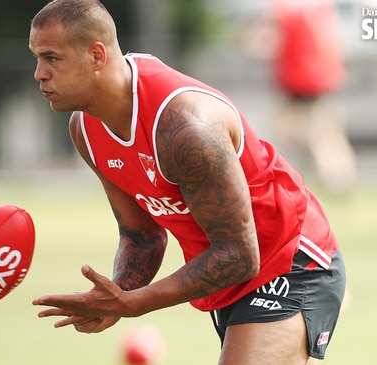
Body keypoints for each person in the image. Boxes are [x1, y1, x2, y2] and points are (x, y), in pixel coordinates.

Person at [29, 1, 346, 364]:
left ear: (97, 55)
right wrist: (117, 292)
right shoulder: (84, 129)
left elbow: (240, 255)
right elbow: (142, 236)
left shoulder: (185, 127)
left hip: (291, 259)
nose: (39, 73)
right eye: (37, 58)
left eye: (51, 58)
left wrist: (135, 303)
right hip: (228, 277)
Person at [241, 0, 356, 194]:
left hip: (297, 87)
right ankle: (336, 182)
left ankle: (293, 182)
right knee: (328, 139)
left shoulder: (285, 11)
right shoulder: (320, 9)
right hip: (323, 83)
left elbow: (265, 43)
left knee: (299, 139)